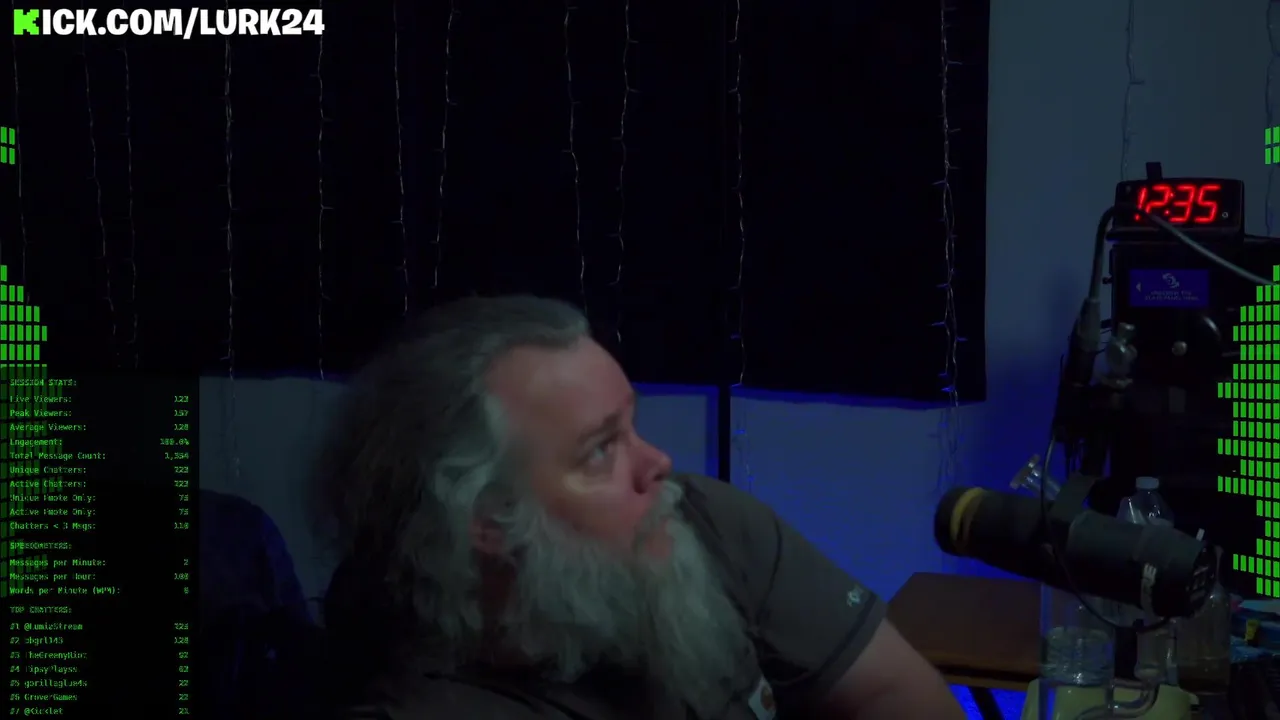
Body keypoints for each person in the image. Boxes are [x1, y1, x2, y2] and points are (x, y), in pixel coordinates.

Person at [312, 296, 965, 719]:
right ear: (487, 520)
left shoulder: (703, 522)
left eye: (632, 424)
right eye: (601, 450)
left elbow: (897, 693)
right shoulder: (430, 707)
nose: (658, 463)